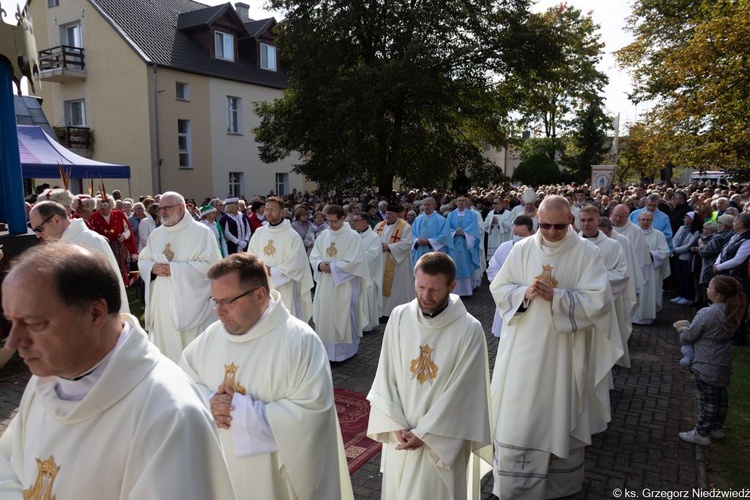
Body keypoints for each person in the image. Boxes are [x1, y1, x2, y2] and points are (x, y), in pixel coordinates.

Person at [0, 244, 236, 499]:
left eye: (34, 323)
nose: (13, 342)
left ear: (95, 313)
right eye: (12, 322)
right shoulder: (45, 382)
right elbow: (8, 467)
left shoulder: (167, 413)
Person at [179, 253, 353, 499]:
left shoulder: (298, 341)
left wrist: (238, 410)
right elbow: (183, 381)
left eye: (227, 301)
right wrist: (209, 402)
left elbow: (312, 414)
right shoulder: (211, 337)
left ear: (260, 295)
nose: (219, 312)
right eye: (215, 301)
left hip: (274, 480)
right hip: (223, 470)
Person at [489, 195, 622, 499]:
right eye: (545, 225)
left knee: (560, 406)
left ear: (571, 221)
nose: (550, 232)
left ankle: (559, 486)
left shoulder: (587, 253)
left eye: (559, 226)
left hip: (565, 350)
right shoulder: (521, 249)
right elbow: (499, 288)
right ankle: (513, 481)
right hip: (523, 347)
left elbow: (600, 301)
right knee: (519, 410)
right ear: (537, 220)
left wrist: (559, 298)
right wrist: (525, 292)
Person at [367, 252, 491, 499]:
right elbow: (386, 371)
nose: (425, 295)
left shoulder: (469, 329)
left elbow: (464, 392)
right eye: (420, 286)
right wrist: (395, 422)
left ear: (452, 286)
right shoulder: (400, 316)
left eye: (434, 290)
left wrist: (426, 434)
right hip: (399, 429)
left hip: (442, 439)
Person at [138, 191, 222, 362]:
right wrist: (152, 267)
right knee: (165, 350)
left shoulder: (201, 233)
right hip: (162, 302)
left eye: (167, 208)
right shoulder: (157, 234)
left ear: (182, 207)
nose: (162, 212)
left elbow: (212, 266)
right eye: (160, 208)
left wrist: (174, 270)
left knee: (191, 353)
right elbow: (143, 259)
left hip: (190, 302)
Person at [677, 276, 747, 445]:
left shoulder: (707, 313)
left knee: (706, 400)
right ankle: (716, 428)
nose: (706, 289)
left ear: (718, 295)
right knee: (720, 397)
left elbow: (690, 335)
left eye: (709, 286)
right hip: (723, 359)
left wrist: (682, 331)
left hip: (705, 361)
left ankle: (701, 433)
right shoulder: (734, 311)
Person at [28, 201, 130, 314]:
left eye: (39, 228)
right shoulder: (55, 244)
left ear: (56, 220)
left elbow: (107, 290)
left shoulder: (91, 241)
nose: (37, 235)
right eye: (34, 230)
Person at [309, 205, 369, 361]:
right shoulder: (323, 236)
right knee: (325, 316)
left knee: (343, 317)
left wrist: (334, 268)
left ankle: (345, 353)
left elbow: (356, 261)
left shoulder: (353, 236)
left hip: (345, 285)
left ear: (343, 218)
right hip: (326, 284)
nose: (331, 225)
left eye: (334, 221)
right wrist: (320, 265)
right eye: (328, 221)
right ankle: (326, 353)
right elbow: (314, 256)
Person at [579, 205, 633, 368]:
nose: (586, 224)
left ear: (598, 220)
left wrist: (594, 281)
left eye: (590, 220)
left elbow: (622, 274)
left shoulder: (613, 245)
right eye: (582, 220)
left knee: (599, 346)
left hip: (604, 302)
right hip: (576, 302)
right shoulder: (571, 244)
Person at [246, 197, 314, 323]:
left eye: (273, 209)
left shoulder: (292, 236)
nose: (268, 213)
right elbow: (251, 256)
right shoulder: (259, 232)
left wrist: (272, 271)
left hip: (285, 289)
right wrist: (258, 268)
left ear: (282, 212)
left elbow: (296, 265)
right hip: (262, 285)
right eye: (266, 209)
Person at [485, 215, 534, 338]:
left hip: (528, 299)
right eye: (515, 233)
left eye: (521, 235)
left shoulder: (537, 250)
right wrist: (504, 283)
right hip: (507, 296)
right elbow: (492, 269)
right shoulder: (504, 247)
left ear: (531, 232)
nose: (517, 237)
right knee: (503, 337)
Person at [89, 193, 138, 286]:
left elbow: (128, 230)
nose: (104, 210)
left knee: (118, 266)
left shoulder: (118, 214)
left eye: (107, 208)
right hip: (101, 246)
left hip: (117, 246)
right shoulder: (93, 217)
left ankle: (120, 285)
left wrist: (123, 236)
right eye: (102, 208)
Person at [376, 205, 416, 318]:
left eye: (391, 214)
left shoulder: (405, 227)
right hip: (381, 261)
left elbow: (407, 244)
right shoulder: (380, 225)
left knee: (396, 287)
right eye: (387, 213)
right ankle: (381, 312)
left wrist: (388, 247)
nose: (388, 216)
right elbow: (372, 239)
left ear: (398, 215)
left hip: (398, 263)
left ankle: (395, 312)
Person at [633, 211, 671, 325]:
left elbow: (665, 252)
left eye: (648, 220)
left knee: (648, 293)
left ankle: (647, 317)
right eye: (643, 219)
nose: (645, 222)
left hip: (651, 270)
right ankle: (632, 316)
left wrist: (650, 254)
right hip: (635, 268)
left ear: (652, 221)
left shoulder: (658, 235)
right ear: (638, 220)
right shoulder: (633, 233)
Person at [352, 213, 385, 332]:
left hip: (368, 275)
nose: (353, 223)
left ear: (365, 222)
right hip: (354, 273)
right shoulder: (353, 235)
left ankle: (367, 326)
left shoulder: (374, 237)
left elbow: (373, 256)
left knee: (366, 299)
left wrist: (356, 255)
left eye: (356, 220)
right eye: (353, 221)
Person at [446, 195, 481, 296]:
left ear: (466, 203)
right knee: (454, 265)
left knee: (466, 264)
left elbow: (474, 228)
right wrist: (454, 232)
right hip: (454, 245)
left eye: (463, 201)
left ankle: (467, 290)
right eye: (459, 201)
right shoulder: (451, 215)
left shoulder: (472, 215)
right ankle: (454, 291)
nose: (461, 203)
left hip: (466, 245)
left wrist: (464, 234)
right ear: (456, 203)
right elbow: (447, 228)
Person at [410, 197, 451, 268]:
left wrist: (429, 242)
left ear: (434, 206)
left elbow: (445, 235)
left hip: (433, 251)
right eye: (424, 205)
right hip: (419, 250)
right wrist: (416, 241)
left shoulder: (441, 220)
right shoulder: (418, 219)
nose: (426, 207)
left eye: (428, 205)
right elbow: (411, 233)